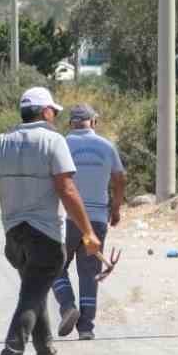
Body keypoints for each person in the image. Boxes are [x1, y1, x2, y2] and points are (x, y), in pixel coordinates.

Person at [0, 87, 105, 355]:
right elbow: (67, 190)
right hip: (45, 236)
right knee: (31, 298)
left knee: (34, 296)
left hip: (14, 236)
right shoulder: (53, 141)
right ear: (46, 112)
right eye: (54, 112)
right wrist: (87, 232)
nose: (55, 117)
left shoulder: (0, 143)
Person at [52, 104, 126, 340]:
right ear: (93, 122)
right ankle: (86, 328)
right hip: (97, 220)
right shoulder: (107, 146)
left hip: (67, 218)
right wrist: (115, 209)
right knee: (89, 272)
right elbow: (119, 179)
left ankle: (67, 306)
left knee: (56, 266)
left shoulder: (60, 144)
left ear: (70, 124)